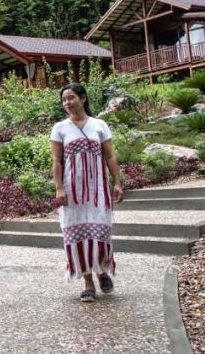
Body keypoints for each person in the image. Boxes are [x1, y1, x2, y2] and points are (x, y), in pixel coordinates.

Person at [50, 83, 123, 302]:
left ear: (83, 98)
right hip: (72, 191)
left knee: (100, 232)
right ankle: (88, 283)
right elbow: (56, 160)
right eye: (64, 100)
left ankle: (102, 271)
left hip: (97, 190)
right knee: (77, 234)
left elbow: (110, 156)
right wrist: (59, 188)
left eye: (71, 98)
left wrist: (117, 182)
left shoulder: (99, 125)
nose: (67, 103)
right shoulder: (60, 128)